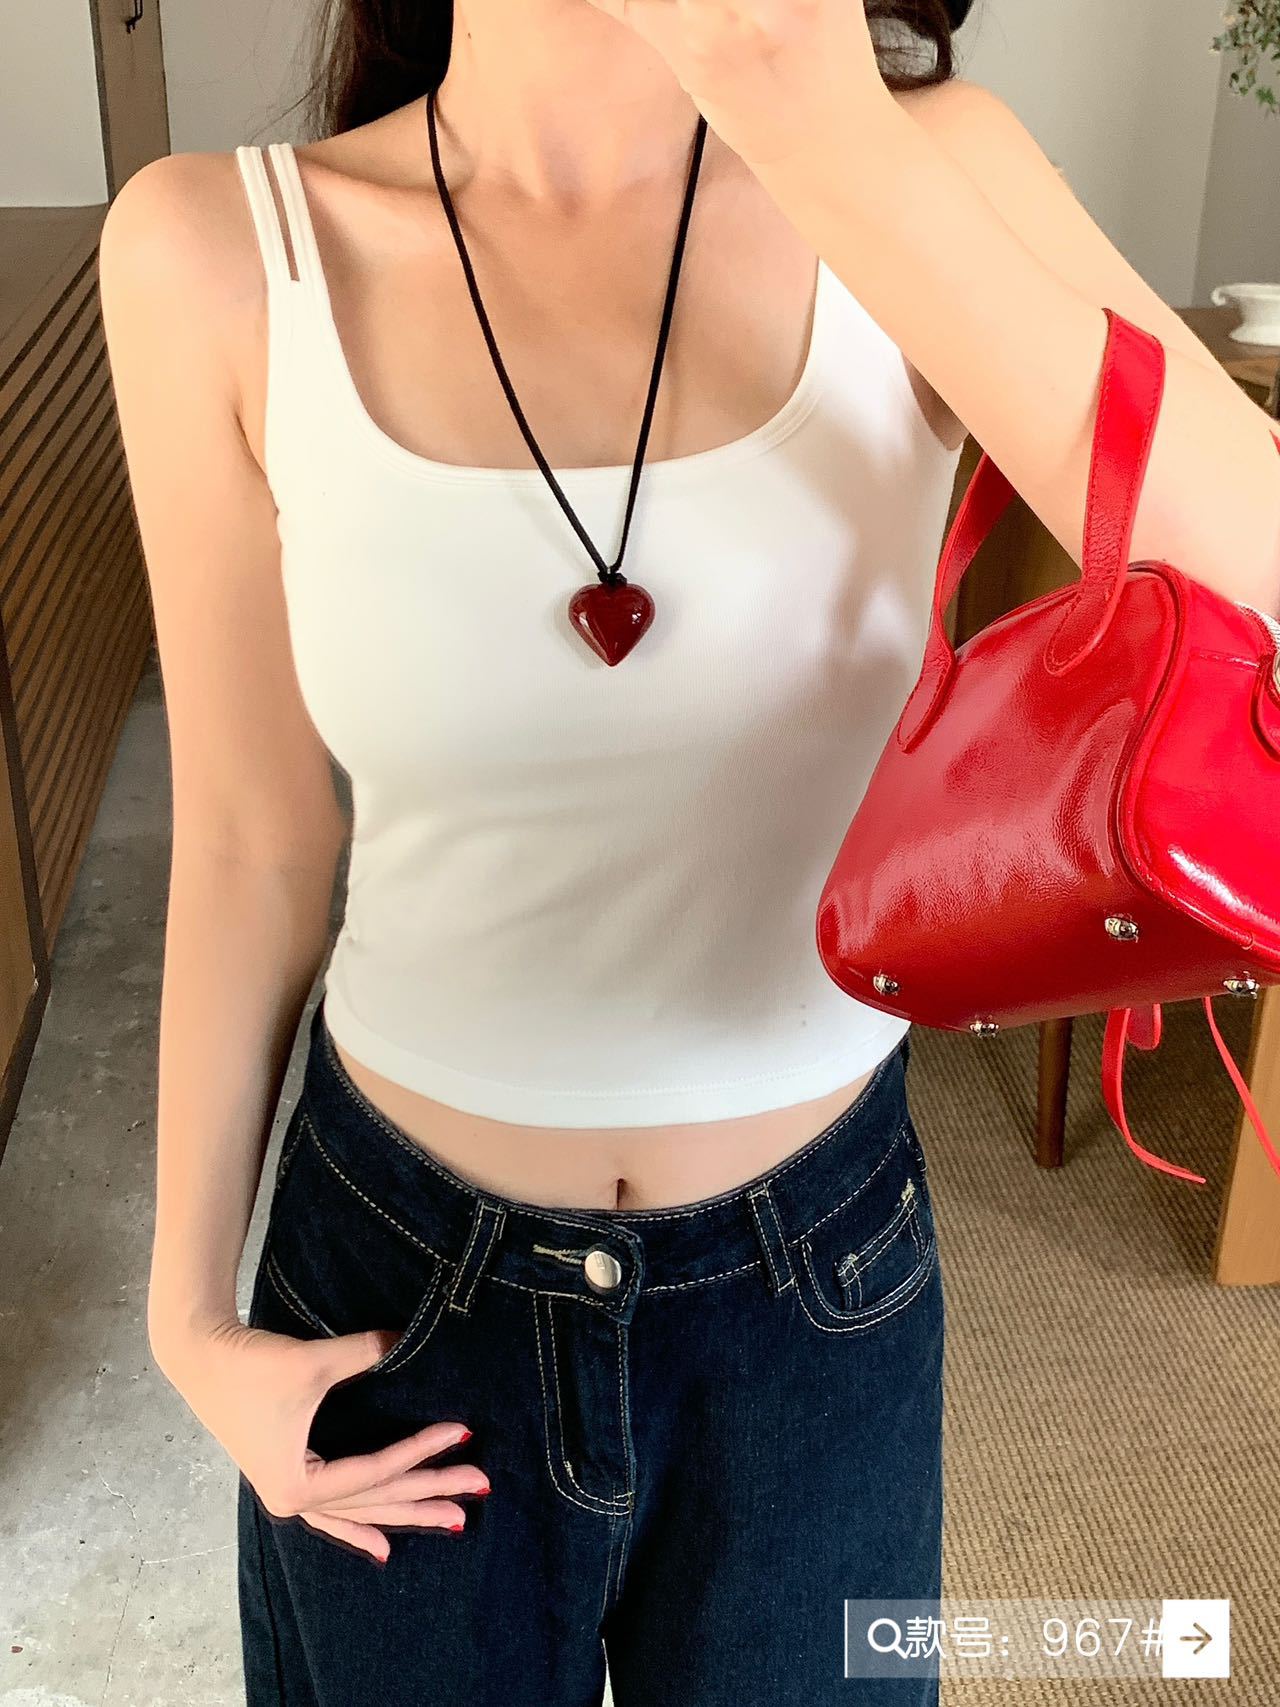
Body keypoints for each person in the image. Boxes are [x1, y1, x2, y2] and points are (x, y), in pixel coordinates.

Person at [97, 0, 1280, 1701]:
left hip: (817, 1290)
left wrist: (812, 111)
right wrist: (186, 1319)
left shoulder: (915, 162)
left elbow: (1257, 580)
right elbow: (249, 838)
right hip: (397, 1296)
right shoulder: (214, 250)